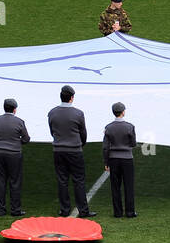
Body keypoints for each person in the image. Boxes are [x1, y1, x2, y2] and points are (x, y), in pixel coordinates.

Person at [49, 86, 93, 217]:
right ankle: (83, 210)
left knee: (62, 180)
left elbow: (52, 131)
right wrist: (80, 144)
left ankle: (64, 209)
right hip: (74, 150)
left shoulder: (52, 112)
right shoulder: (78, 113)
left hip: (58, 150)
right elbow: (83, 133)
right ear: (72, 97)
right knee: (78, 180)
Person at [0, 97, 29, 216]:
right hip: (14, 154)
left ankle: (0, 209)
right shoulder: (19, 122)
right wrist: (17, 142)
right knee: (15, 181)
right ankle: (15, 209)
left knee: (0, 181)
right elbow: (26, 139)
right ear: (15, 110)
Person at [103, 102, 137, 217]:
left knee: (115, 186)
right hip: (127, 159)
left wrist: (106, 162)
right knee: (129, 185)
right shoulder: (130, 126)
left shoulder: (108, 127)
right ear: (123, 112)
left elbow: (105, 147)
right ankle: (130, 212)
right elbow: (133, 144)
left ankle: (117, 212)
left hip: (114, 159)